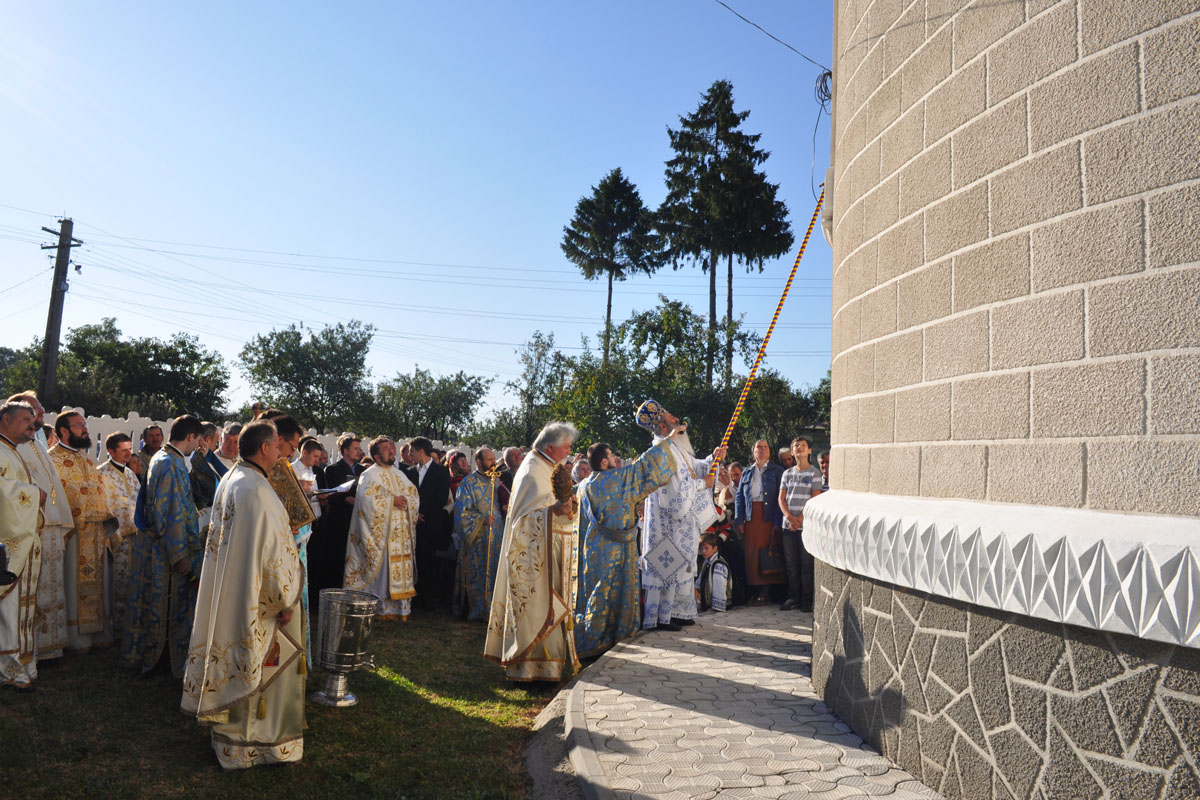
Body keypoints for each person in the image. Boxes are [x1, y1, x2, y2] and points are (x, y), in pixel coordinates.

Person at [181, 419, 306, 769]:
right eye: (279, 444)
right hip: (257, 603)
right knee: (260, 668)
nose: (283, 450)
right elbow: (273, 555)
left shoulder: (232, 479)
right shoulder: (258, 491)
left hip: (231, 591)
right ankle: (259, 745)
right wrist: (285, 601)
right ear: (266, 448)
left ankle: (227, 744)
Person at [484, 421, 580, 682]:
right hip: (533, 553)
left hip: (551, 548)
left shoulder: (549, 466)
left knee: (552, 603)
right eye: (566, 447)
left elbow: (554, 505)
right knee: (538, 605)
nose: (569, 452)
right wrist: (553, 511)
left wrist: (570, 504)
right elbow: (522, 522)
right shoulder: (531, 470)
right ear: (550, 446)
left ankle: (549, 669)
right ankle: (528, 669)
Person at [572, 438, 675, 659]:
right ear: (603, 461)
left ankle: (592, 639)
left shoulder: (583, 486)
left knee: (598, 592)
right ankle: (620, 636)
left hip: (593, 548)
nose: (615, 458)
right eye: (611, 454)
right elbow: (646, 467)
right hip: (619, 548)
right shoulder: (618, 479)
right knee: (619, 592)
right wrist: (668, 441)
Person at [120, 415, 204, 677]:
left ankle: (155, 656)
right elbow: (170, 512)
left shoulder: (163, 458)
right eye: (199, 440)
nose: (199, 445)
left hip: (158, 543)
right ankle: (166, 661)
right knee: (167, 603)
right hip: (167, 548)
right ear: (191, 437)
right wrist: (181, 556)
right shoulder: (170, 464)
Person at [638, 400, 726, 631]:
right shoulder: (659, 452)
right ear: (664, 427)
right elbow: (673, 489)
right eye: (671, 418)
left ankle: (678, 612)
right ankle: (662, 617)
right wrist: (701, 484)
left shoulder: (674, 448)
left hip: (682, 522)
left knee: (683, 566)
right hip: (667, 523)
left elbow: (691, 468)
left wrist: (711, 459)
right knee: (669, 566)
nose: (677, 419)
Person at [6, 392, 72, 661]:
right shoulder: (12, 444)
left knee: (49, 587)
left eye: (42, 413)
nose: (39, 418)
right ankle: (27, 650)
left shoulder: (37, 440)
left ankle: (49, 645)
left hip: (49, 520)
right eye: (34, 412)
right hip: (27, 523)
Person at [49, 410, 116, 650]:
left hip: (95, 532)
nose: (84, 429)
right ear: (64, 431)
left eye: (84, 424)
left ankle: (97, 632)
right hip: (72, 533)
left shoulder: (86, 459)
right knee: (71, 583)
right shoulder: (51, 460)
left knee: (97, 583)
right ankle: (75, 637)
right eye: (78, 426)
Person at [344, 436, 420, 620]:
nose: (391, 450)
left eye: (392, 447)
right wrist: (391, 500)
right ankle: (378, 608)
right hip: (381, 536)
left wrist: (406, 502)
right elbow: (365, 500)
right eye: (386, 448)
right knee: (382, 572)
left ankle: (398, 609)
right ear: (377, 456)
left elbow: (414, 496)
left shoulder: (400, 474)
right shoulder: (369, 475)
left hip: (400, 535)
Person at [0, 401, 45, 690]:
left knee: (19, 607)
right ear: (5, 419)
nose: (33, 425)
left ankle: (23, 663)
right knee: (8, 607)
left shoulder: (11, 451)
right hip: (7, 545)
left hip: (21, 540)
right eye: (26, 419)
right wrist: (33, 494)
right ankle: (9, 668)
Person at [308, 433, 364, 624]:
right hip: (338, 523)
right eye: (355, 448)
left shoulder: (363, 470)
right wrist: (344, 497)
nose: (359, 451)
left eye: (359, 448)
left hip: (358, 522)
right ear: (344, 451)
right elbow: (330, 492)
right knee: (335, 562)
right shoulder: (332, 470)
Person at [452, 447, 505, 622]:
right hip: (477, 538)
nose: (493, 463)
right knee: (478, 573)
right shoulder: (468, 483)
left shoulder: (497, 481)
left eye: (493, 459)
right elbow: (461, 514)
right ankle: (478, 611)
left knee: (495, 572)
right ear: (479, 462)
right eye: (489, 460)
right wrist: (482, 519)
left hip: (497, 535)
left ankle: (495, 610)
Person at [97, 432, 141, 638]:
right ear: (111, 451)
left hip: (136, 535)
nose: (128, 454)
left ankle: (131, 624)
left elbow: (138, 500)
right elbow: (110, 504)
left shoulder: (131, 474)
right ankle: (116, 627)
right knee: (117, 580)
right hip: (117, 535)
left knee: (133, 579)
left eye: (129, 449)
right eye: (123, 450)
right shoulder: (102, 473)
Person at [734, 439, 786, 605]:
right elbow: (740, 497)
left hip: (769, 516)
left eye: (765, 447)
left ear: (769, 451)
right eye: (759, 447)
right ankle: (755, 591)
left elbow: (781, 497)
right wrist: (739, 519)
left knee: (767, 553)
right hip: (751, 517)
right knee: (752, 554)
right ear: (753, 452)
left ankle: (766, 593)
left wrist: (778, 521)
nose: (762, 450)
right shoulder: (747, 472)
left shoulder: (777, 471)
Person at [778, 437, 823, 612]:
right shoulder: (787, 474)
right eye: (796, 446)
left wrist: (801, 519)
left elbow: (815, 498)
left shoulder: (814, 473)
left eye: (803, 446)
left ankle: (807, 599)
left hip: (806, 526)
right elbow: (781, 498)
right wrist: (789, 517)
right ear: (792, 451)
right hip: (788, 526)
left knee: (806, 563)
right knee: (791, 563)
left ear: (809, 451)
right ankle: (793, 597)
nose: (799, 448)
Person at [407, 437, 452, 608]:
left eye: (412, 451)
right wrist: (413, 514)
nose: (410, 455)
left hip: (430, 523)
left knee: (429, 561)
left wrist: (422, 514)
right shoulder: (409, 471)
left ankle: (427, 600)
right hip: (413, 523)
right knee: (414, 560)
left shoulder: (441, 472)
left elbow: (441, 498)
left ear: (420, 451)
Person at [190, 422, 222, 528]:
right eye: (216, 442)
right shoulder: (196, 460)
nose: (216, 446)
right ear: (207, 440)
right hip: (201, 520)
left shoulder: (204, 459)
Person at [695, 533, 733, 613]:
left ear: (715, 549)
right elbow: (700, 578)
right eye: (701, 549)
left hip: (717, 605)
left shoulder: (718, 565)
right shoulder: (707, 561)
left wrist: (716, 608)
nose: (703, 551)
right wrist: (696, 589)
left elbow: (719, 588)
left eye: (706, 548)